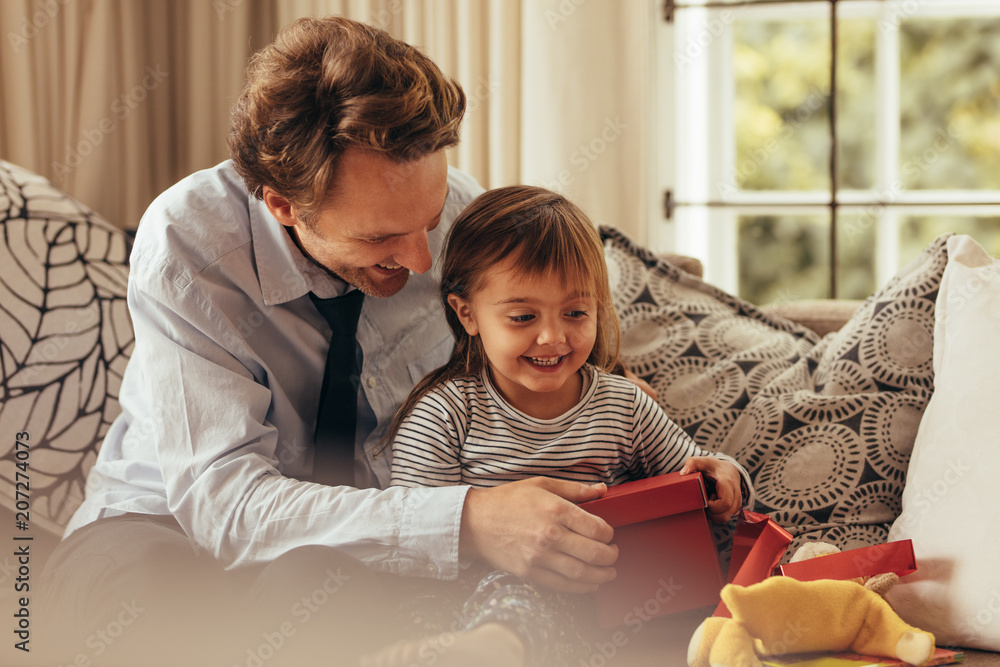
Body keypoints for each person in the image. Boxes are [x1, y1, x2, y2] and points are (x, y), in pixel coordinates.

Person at [38, 17, 623, 667]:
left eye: (427, 221)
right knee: (155, 607)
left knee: (321, 591)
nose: (424, 262)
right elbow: (227, 509)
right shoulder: (190, 243)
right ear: (283, 203)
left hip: (351, 552)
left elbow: (532, 370)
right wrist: (467, 520)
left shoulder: (461, 217)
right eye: (380, 239)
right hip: (162, 530)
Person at [365, 186, 753, 667]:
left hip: (597, 603)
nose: (552, 337)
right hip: (463, 606)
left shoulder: (622, 405)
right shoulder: (443, 416)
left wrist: (725, 477)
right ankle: (480, 647)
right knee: (438, 608)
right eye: (523, 316)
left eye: (576, 313)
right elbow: (413, 544)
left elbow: (693, 477)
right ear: (468, 314)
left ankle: (498, 649)